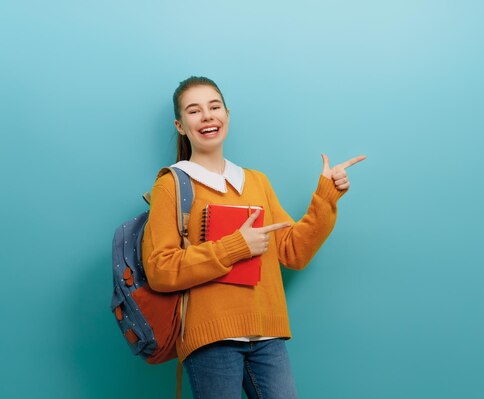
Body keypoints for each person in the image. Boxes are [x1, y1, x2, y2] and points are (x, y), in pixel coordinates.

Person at [141, 76, 365, 399]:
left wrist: (326, 195)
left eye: (214, 107)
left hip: (268, 335)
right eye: (194, 110)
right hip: (210, 340)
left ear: (227, 115)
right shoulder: (172, 184)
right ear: (180, 125)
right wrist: (236, 247)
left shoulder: (257, 182)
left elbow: (293, 251)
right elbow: (160, 268)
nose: (207, 116)